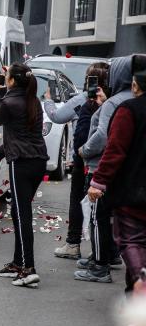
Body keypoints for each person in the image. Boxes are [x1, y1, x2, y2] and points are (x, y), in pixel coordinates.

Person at [0, 63, 49, 288]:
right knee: (20, 211)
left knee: (22, 216)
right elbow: (21, 135)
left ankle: (28, 269)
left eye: (6, 75)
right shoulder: (34, 101)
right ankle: (17, 262)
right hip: (38, 161)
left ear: (11, 81)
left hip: (20, 163)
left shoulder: (10, 102)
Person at [44, 62, 110, 260]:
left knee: (78, 199)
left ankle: (73, 243)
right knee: (104, 205)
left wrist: (48, 100)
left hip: (84, 157)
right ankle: (107, 250)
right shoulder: (114, 101)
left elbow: (56, 116)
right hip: (110, 159)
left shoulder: (81, 100)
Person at [77, 56, 134, 283]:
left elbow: (104, 136)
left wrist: (84, 150)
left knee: (98, 216)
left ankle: (100, 265)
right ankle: (106, 256)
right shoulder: (130, 100)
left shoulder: (115, 102)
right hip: (126, 170)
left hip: (101, 167)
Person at [88, 70, 146, 293]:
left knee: (131, 241)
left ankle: (141, 284)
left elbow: (115, 150)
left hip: (132, 191)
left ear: (135, 87)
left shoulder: (129, 110)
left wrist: (98, 182)